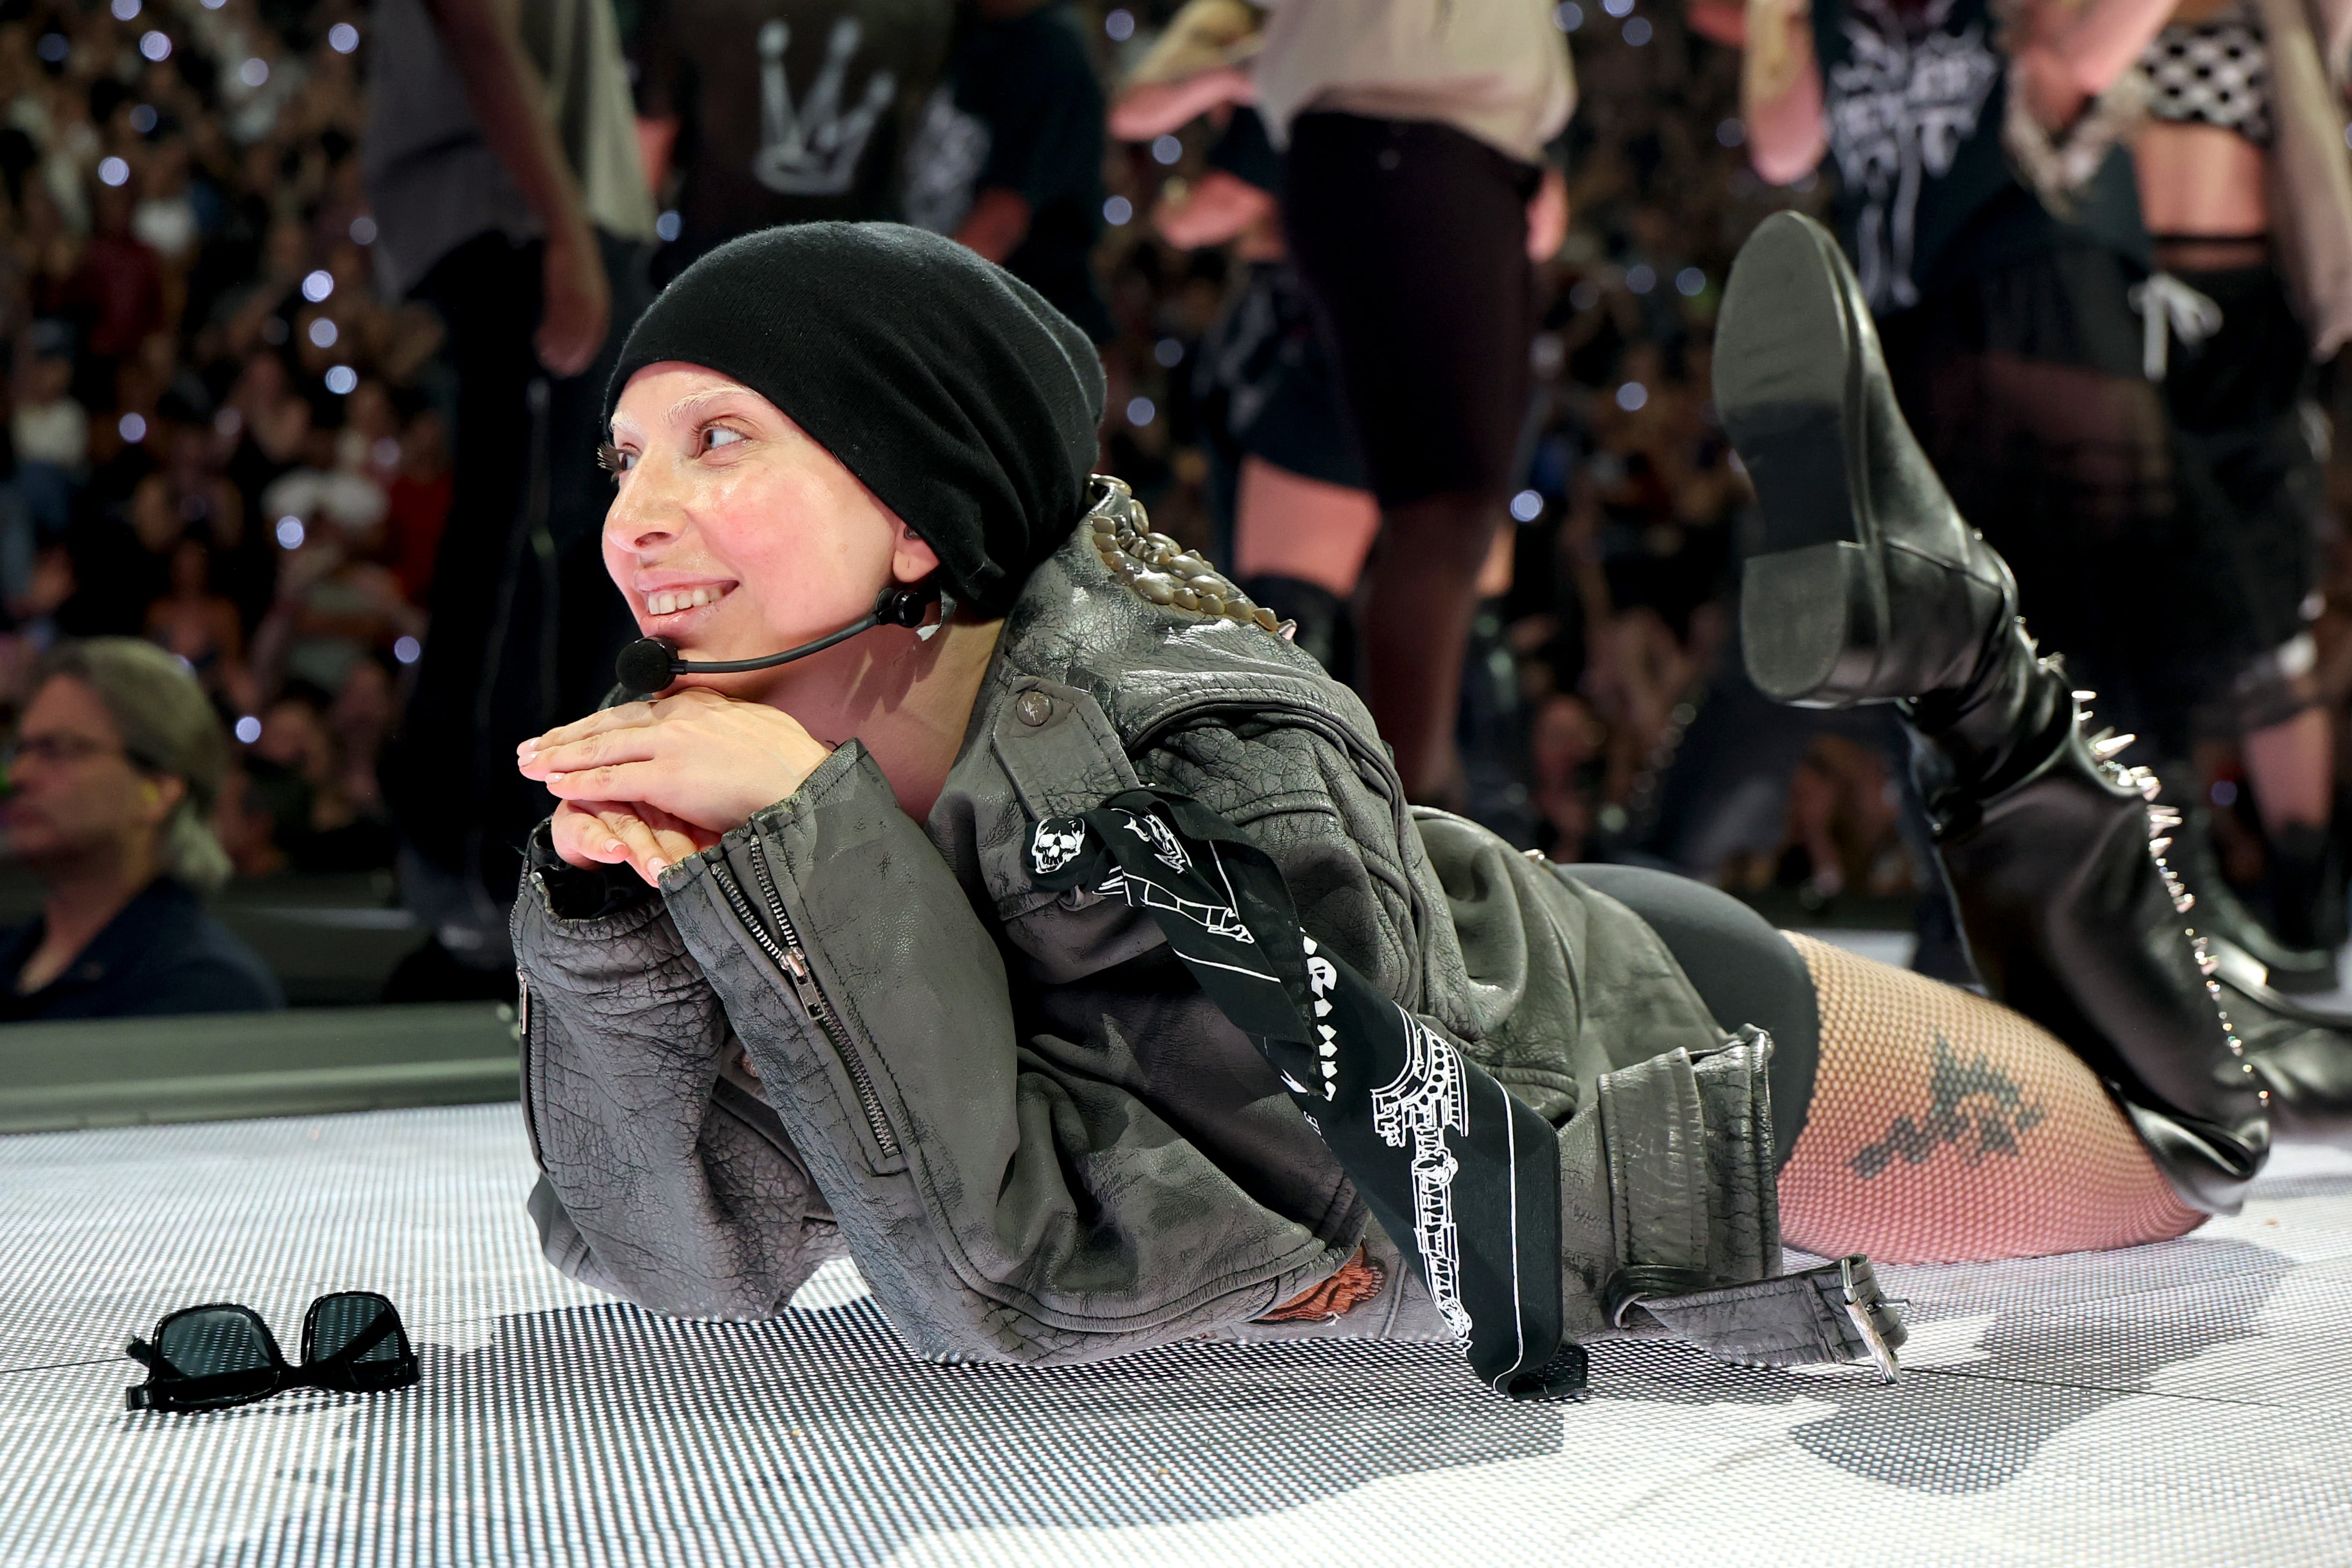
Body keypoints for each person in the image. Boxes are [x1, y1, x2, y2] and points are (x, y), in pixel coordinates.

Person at [505, 223, 2348, 1395]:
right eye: (626, 457)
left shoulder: (1197, 758)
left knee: (2183, 1151)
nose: (632, 513)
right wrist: (615, 942)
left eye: (720, 438)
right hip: (1477, 931)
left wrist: (818, 855)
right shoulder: (713, 759)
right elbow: (681, 1254)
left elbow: (1058, 1273)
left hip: (1668, 1050)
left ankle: (1976, 669)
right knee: (2171, 1080)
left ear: (914, 510)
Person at [363, 0, 658, 990]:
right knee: (540, 548)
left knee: (544, 542)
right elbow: (475, 25)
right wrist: (566, 229)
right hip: (521, 217)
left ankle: (498, 872)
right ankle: (502, 874)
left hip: (531, 213)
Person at [1247, 0, 1574, 806]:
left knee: (1443, 516)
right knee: (1444, 511)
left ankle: (1410, 810)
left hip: (1430, 150)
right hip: (1411, 139)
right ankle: (1407, 822)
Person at [2126, 0, 2352, 985]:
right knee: (2124, 614)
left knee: (2270, 634)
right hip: (2112, 299)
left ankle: (2302, 910)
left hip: (2247, 306)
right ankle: (2155, 906)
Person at [0, 638, 281, 1021]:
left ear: (158, 791)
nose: (19, 775)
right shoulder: (12, 958)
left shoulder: (205, 990)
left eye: (56, 750)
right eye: (22, 750)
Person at [633, 0, 952, 279]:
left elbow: (653, 137)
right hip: (853, 265)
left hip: (710, 261)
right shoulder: (929, 10)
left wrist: (635, 252)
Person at [906, 0, 1113, 343]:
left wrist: (900, 314)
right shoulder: (965, 26)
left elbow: (999, 223)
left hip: (1006, 329)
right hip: (942, 294)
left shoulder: (1051, 54)